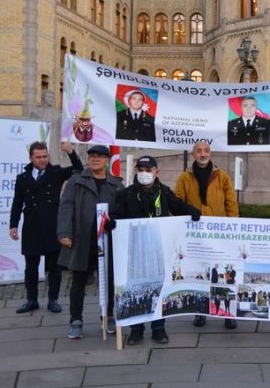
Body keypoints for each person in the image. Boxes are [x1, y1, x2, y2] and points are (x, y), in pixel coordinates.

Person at [112, 155, 201, 345]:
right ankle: (136, 330)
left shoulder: (164, 192)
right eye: (141, 170)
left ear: (156, 172)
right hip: (135, 249)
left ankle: (159, 329)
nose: (144, 173)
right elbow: (115, 215)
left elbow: (178, 207)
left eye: (148, 170)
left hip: (158, 248)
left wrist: (192, 211)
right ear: (136, 171)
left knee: (158, 288)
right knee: (136, 287)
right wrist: (111, 223)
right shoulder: (126, 194)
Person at [56, 145, 122, 339]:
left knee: (109, 281)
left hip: (107, 241)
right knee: (78, 281)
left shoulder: (116, 184)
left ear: (107, 160)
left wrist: (116, 223)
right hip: (81, 239)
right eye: (92, 156)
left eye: (100, 157)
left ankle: (108, 316)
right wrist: (64, 233)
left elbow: (122, 211)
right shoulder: (76, 181)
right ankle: (76, 320)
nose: (95, 159)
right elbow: (66, 207)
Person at [10, 141, 82, 314]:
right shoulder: (23, 178)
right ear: (31, 158)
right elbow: (17, 202)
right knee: (31, 266)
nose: (42, 160)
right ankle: (31, 300)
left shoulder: (56, 172)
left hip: (52, 225)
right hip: (31, 226)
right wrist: (13, 224)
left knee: (54, 266)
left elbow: (78, 168)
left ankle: (53, 300)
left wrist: (70, 151)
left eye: (45, 156)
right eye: (38, 157)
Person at [174, 140, 239, 329]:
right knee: (199, 273)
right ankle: (200, 311)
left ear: (210, 153)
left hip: (220, 236)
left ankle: (228, 313)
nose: (203, 154)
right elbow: (177, 202)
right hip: (196, 235)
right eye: (198, 151)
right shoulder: (184, 178)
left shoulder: (222, 177)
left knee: (223, 274)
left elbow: (231, 204)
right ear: (193, 154)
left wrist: (234, 229)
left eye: (206, 150)